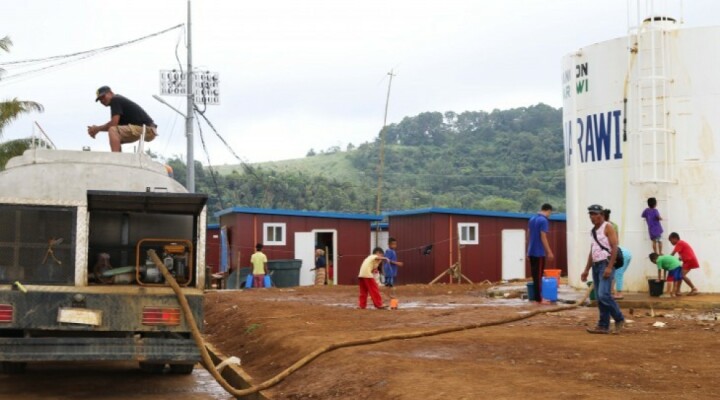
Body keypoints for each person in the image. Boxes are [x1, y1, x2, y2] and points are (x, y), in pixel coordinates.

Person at [580, 204, 625, 334]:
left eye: (594, 214)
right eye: (590, 214)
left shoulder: (608, 227)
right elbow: (592, 251)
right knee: (600, 299)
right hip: (595, 265)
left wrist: (610, 267)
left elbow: (614, 246)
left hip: (605, 264)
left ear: (601, 215)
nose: (592, 217)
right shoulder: (593, 230)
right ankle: (603, 325)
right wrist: (586, 269)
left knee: (604, 295)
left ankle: (619, 318)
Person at [88, 86, 158, 152]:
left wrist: (97, 129)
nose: (102, 100)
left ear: (111, 93)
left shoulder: (115, 100)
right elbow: (114, 124)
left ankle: (117, 159)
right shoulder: (118, 103)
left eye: (103, 96)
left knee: (113, 130)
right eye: (100, 99)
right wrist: (97, 129)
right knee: (116, 136)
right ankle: (120, 159)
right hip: (147, 129)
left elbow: (113, 124)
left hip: (147, 129)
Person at [527, 203, 554, 303]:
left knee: (535, 276)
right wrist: (549, 251)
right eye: (550, 213)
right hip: (539, 252)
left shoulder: (532, 219)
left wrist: (528, 251)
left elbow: (528, 235)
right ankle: (539, 299)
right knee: (538, 276)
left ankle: (535, 297)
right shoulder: (543, 220)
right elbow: (543, 236)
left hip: (531, 251)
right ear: (548, 211)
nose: (549, 215)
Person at [603, 209, 629, 299]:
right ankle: (612, 291)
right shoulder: (614, 225)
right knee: (614, 273)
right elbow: (617, 241)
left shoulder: (605, 226)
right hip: (617, 251)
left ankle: (619, 293)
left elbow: (612, 242)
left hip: (617, 252)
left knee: (618, 273)